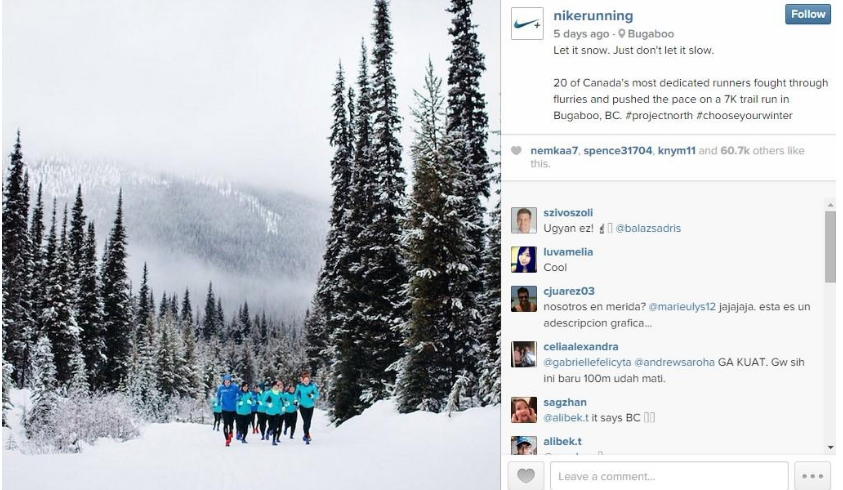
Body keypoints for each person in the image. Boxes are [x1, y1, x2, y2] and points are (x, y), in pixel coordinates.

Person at [295, 372, 319, 444]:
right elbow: (295, 395)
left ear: (309, 380)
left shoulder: (312, 386)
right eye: (305, 380)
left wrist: (312, 396)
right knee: (305, 421)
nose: (306, 382)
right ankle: (306, 436)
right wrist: (296, 401)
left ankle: (306, 434)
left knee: (309, 422)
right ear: (302, 381)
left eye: (307, 380)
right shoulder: (299, 386)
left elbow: (317, 395)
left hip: (310, 406)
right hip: (302, 406)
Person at [216, 374, 239, 446]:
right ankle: (227, 440)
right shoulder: (221, 388)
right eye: (226, 382)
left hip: (232, 409)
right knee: (226, 424)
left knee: (231, 424)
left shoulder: (234, 387)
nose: (227, 383)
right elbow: (218, 396)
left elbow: (240, 394)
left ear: (230, 382)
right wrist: (218, 401)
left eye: (228, 382)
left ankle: (231, 431)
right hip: (224, 409)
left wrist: (236, 399)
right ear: (224, 382)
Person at [263, 380, 286, 446]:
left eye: (277, 385)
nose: (276, 387)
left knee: (275, 426)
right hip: (269, 413)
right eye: (275, 385)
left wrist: (283, 407)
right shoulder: (269, 393)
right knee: (270, 426)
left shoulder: (279, 393)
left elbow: (283, 401)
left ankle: (273, 441)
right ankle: (268, 432)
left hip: (277, 412)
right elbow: (263, 402)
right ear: (272, 386)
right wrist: (268, 404)